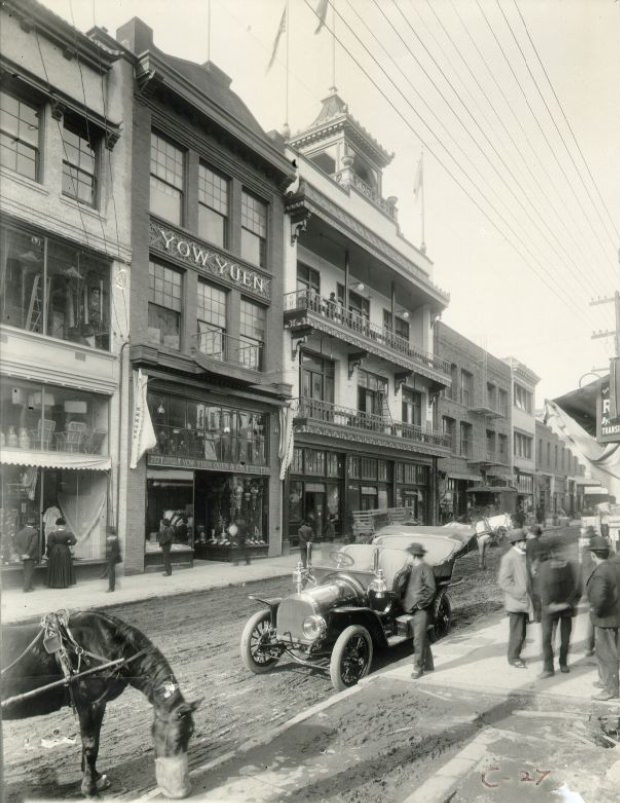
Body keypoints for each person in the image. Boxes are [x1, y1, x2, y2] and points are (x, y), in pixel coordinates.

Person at [537, 538, 581, 678]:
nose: (560, 555)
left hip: (566, 609)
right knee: (547, 639)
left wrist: (567, 603)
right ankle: (548, 668)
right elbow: (540, 589)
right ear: (551, 553)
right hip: (549, 610)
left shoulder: (572, 567)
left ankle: (563, 663)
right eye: (557, 552)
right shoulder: (544, 567)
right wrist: (550, 605)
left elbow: (577, 589)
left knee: (565, 639)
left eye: (562, 552)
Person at [586, 535, 620, 701]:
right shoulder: (613, 567)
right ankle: (604, 681)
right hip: (614, 616)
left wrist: (595, 610)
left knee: (607, 655)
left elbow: (599, 598)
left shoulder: (600, 573)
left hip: (604, 619)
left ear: (593, 554)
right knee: (607, 653)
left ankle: (611, 689)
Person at [497, 529, 534, 668]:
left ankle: (516, 655)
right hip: (516, 601)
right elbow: (503, 581)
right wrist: (519, 592)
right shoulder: (509, 557)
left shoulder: (522, 555)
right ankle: (513, 658)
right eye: (524, 541)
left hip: (524, 601)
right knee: (517, 633)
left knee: (522, 632)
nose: (526, 543)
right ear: (517, 543)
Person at [402, 542, 436, 679]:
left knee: (418, 639)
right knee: (422, 637)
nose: (407, 557)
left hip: (422, 609)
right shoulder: (414, 568)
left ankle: (418, 668)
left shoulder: (425, 568)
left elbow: (431, 589)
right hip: (415, 608)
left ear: (414, 555)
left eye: (409, 554)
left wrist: (421, 605)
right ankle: (428, 665)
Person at [46, 517, 77, 589]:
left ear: (57, 525)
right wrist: (67, 543)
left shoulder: (52, 534)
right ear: (64, 525)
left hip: (54, 551)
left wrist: (49, 553)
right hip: (65, 551)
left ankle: (54, 583)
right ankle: (64, 583)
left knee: (55, 566)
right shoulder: (68, 533)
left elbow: (49, 545)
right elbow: (74, 541)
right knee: (64, 566)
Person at [526, 525, 545, 622]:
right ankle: (539, 616)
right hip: (541, 571)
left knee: (530, 594)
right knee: (539, 593)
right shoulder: (542, 544)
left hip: (529, 571)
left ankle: (531, 617)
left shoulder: (527, 544)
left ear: (531, 533)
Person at [14, 518, 39, 592]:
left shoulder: (19, 532)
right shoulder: (34, 532)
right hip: (30, 556)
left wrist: (22, 554)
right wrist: (28, 554)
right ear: (33, 525)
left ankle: (30, 586)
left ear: (26, 524)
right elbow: (33, 545)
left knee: (27, 570)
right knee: (29, 572)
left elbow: (16, 545)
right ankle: (26, 588)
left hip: (23, 555)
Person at [105, 526, 122, 592]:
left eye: (107, 533)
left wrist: (111, 555)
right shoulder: (113, 539)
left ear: (110, 533)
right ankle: (113, 585)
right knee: (112, 572)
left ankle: (111, 588)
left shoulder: (112, 539)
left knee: (111, 573)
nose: (107, 534)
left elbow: (117, 550)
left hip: (112, 558)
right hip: (112, 558)